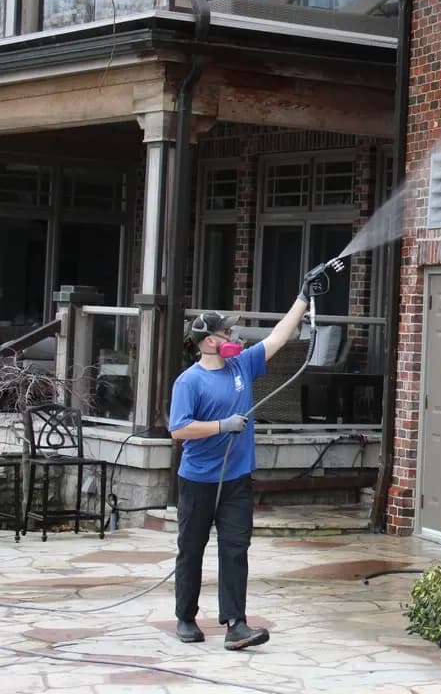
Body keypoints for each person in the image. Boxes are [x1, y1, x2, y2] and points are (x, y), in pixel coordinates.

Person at [169, 270, 327, 650]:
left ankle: (236, 624)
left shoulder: (242, 366)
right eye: (227, 333)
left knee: (236, 549)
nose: (235, 337)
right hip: (199, 480)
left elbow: (278, 336)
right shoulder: (188, 382)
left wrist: (303, 297)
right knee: (191, 549)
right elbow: (179, 429)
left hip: (237, 479)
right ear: (209, 341)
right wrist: (222, 425)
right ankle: (185, 617)